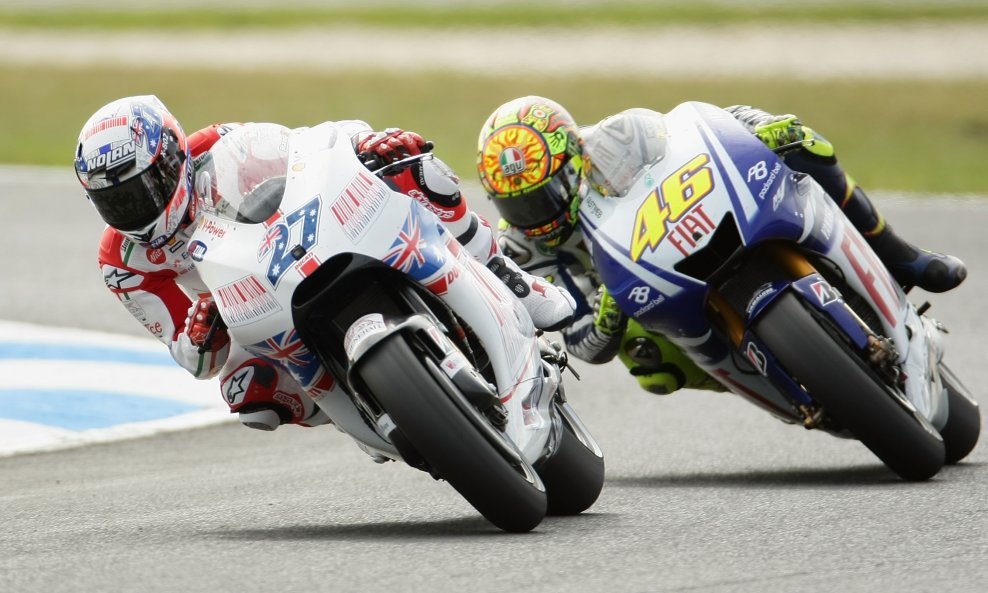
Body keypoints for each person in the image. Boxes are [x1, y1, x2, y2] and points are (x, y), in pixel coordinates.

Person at [74, 95, 574, 431]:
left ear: (170, 161)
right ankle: (364, 407)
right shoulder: (123, 261)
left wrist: (367, 145)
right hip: (244, 304)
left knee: (416, 167)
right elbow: (193, 361)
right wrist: (201, 335)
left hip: (299, 239)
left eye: (139, 191)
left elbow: (309, 152)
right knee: (247, 396)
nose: (131, 211)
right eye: (114, 202)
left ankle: (505, 272)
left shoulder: (215, 146)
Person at [475, 95, 967, 395]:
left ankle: (903, 258)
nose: (536, 216)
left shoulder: (621, 137)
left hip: (701, 223)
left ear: (575, 157)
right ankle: (773, 377)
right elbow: (579, 339)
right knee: (650, 365)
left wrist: (756, 126)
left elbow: (701, 128)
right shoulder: (522, 251)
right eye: (520, 206)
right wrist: (606, 312)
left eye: (545, 196)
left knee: (804, 144)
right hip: (652, 300)